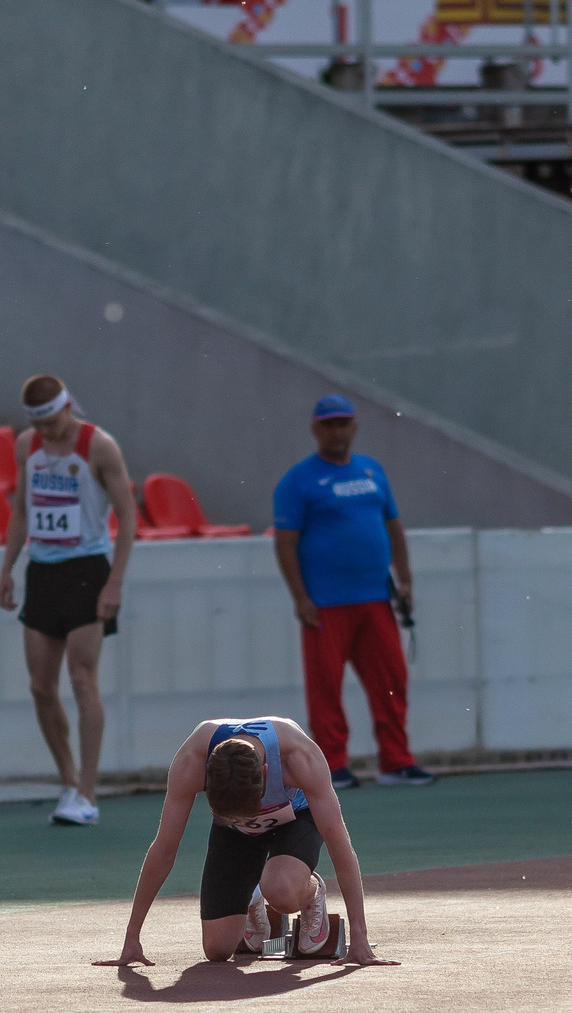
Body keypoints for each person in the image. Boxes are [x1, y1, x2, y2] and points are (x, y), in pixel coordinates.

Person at [108, 715, 388, 967]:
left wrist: (360, 937)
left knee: (281, 892)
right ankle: (252, 898)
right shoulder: (191, 761)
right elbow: (164, 851)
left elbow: (340, 848)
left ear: (265, 772)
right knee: (217, 949)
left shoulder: (299, 757)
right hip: (234, 833)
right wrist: (132, 937)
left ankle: (310, 891)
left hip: (295, 818)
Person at [272, 394, 435, 791]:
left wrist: (406, 580)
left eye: (343, 423)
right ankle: (332, 765)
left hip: (375, 597)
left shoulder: (372, 471)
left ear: (355, 427)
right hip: (326, 604)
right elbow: (285, 543)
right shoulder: (299, 480)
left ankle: (396, 761)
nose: (337, 431)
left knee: (391, 681)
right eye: (328, 424)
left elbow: (393, 527)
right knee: (326, 688)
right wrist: (300, 597)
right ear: (315, 429)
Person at [0, 373, 136, 828]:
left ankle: (89, 793)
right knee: (40, 686)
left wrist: (114, 583)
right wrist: (7, 568)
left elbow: (128, 516)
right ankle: (69, 779)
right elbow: (22, 509)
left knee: (82, 680)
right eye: (41, 426)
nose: (49, 433)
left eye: (54, 423)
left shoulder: (100, 446)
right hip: (43, 571)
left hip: (86, 571)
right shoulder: (27, 447)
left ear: (68, 406)